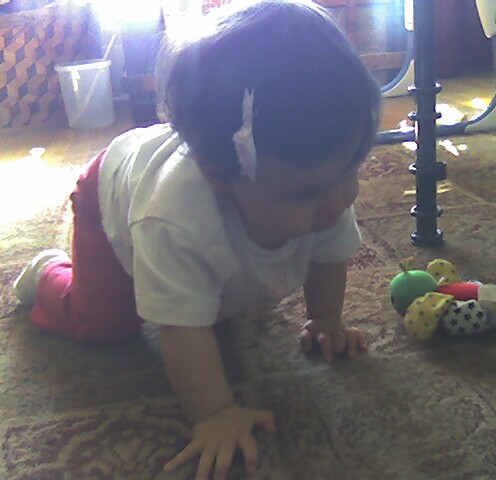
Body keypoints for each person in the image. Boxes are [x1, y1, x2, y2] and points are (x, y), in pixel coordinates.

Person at [12, 1, 382, 479]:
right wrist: (215, 413)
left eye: (350, 171)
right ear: (219, 178)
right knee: (109, 325)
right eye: (306, 194)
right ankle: (49, 274)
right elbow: (180, 331)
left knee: (213, 298)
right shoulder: (175, 220)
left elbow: (328, 257)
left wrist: (326, 319)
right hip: (110, 197)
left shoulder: (319, 181)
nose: (338, 201)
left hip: (186, 191)